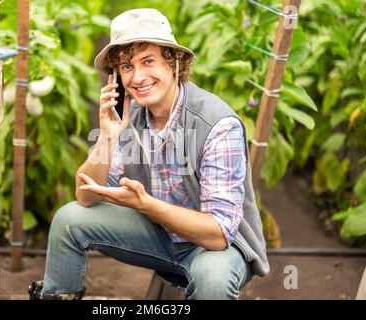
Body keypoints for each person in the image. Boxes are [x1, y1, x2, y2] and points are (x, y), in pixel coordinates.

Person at [29, 8, 269, 300]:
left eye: (148, 61)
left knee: (213, 279)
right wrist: (107, 136)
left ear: (174, 63)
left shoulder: (217, 125)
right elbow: (85, 196)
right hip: (160, 237)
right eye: (127, 67)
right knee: (69, 220)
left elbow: (218, 235)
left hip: (214, 247)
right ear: (116, 77)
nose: (138, 77)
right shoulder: (132, 119)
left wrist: (146, 205)